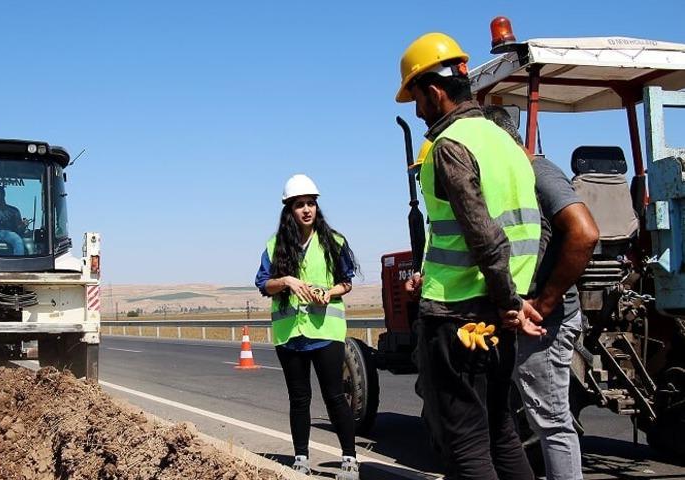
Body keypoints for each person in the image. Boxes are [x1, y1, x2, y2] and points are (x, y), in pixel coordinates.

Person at [396, 32, 545, 479]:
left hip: (460, 316)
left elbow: (485, 237)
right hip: (501, 311)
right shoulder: (506, 145)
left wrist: (506, 301)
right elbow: (535, 229)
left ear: (434, 91)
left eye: (417, 100)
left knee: (465, 445)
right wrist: (515, 300)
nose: (418, 112)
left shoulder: (450, 147)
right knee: (501, 432)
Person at [484, 105, 599, 480]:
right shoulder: (519, 178)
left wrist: (544, 302)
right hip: (527, 317)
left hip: (546, 321)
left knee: (552, 423)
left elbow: (584, 233)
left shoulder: (539, 173)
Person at [254, 174, 360, 480]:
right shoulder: (274, 246)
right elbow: (263, 284)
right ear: (289, 209)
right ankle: (300, 458)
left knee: (335, 396)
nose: (306, 209)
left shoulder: (334, 241)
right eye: (300, 204)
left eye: (311, 203)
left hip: (326, 332)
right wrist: (286, 281)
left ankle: (350, 459)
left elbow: (346, 282)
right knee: (299, 399)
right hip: (290, 335)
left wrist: (329, 292)